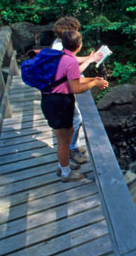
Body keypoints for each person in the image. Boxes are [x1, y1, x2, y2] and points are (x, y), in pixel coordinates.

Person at [41, 30, 108, 182]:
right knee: (64, 142)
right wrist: (93, 83)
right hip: (58, 103)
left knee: (65, 136)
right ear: (79, 45)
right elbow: (75, 87)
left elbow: (70, 78)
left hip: (50, 100)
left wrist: (92, 79)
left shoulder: (60, 56)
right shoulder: (70, 61)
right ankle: (65, 174)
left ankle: (63, 165)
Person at [52, 16, 102, 165]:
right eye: (76, 31)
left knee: (73, 120)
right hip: (59, 94)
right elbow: (72, 72)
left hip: (56, 93)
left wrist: (89, 57)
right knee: (75, 119)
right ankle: (71, 150)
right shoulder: (58, 49)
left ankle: (72, 146)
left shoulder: (59, 44)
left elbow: (71, 58)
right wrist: (89, 62)